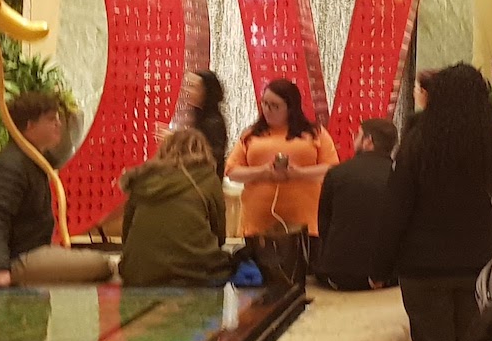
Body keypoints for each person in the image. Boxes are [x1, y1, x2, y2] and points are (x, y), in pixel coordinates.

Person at [376, 63, 492, 341]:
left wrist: (380, 265)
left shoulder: (418, 142)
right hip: (477, 261)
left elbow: (397, 207)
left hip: (423, 265)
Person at [0, 93, 112, 286]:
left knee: (101, 266)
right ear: (30, 126)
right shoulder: (11, 166)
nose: (58, 124)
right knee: (101, 265)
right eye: (51, 119)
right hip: (16, 258)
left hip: (28, 251)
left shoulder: (31, 161)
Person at [117, 128, 232, 287]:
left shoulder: (143, 179)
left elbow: (126, 234)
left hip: (139, 274)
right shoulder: (208, 178)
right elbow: (219, 235)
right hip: (195, 273)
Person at [225, 78, 339, 236]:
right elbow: (232, 172)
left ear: (290, 108)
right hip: (257, 222)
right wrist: (263, 171)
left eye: (275, 106)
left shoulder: (315, 133)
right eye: (265, 104)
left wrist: (298, 173)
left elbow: (331, 170)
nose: (268, 110)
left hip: (305, 222)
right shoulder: (251, 135)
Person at [316, 117, 397, 291]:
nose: (354, 139)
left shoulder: (337, 173)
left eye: (357, 135)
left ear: (368, 141)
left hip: (340, 274)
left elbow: (323, 225)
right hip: (388, 275)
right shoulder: (400, 177)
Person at [172, 69, 229, 179]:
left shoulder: (213, 123)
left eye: (192, 87)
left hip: (206, 182)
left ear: (207, 92)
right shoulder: (199, 116)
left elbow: (209, 158)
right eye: (187, 86)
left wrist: (176, 141)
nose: (187, 91)